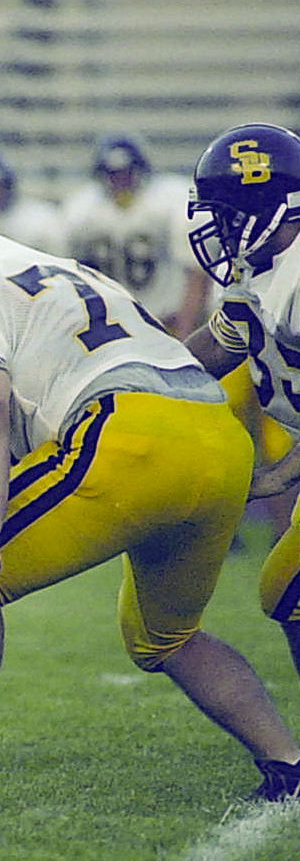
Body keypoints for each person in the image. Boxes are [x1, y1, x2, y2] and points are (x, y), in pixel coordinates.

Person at [0, 216, 300, 808]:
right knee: (164, 637)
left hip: (127, 434)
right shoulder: (60, 269)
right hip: (219, 436)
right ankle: (288, 763)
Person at [183, 122, 300, 699]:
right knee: (288, 591)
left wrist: (282, 472)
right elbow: (214, 347)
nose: (219, 228)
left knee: (289, 587)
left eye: (227, 214)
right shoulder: (263, 271)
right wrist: (126, 376)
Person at [58, 132, 210, 336]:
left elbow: (196, 271)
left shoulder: (170, 202)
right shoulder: (82, 211)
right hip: (112, 324)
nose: (120, 182)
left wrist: (185, 328)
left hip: (166, 319)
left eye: (126, 173)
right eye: (113, 175)